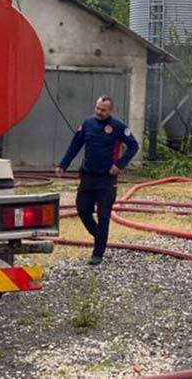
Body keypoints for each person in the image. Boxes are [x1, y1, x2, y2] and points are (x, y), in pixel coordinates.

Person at [55, 95, 139, 266]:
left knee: (103, 216)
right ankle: (99, 235)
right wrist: (63, 165)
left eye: (103, 110)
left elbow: (134, 146)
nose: (99, 112)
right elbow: (75, 145)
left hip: (107, 179)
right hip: (88, 176)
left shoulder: (118, 127)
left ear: (110, 111)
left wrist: (120, 164)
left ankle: (98, 253)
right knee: (82, 209)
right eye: (97, 108)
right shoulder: (87, 124)